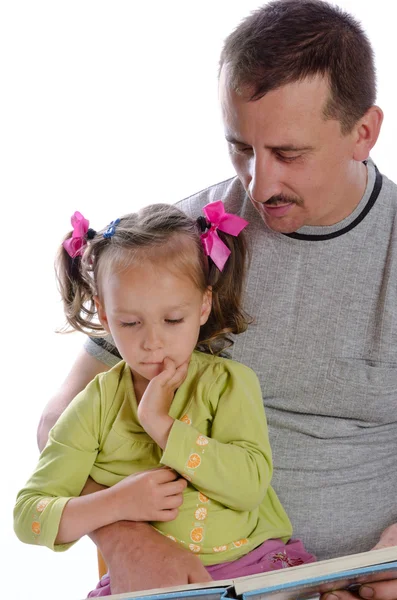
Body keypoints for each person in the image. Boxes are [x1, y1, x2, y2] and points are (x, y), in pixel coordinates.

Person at [36, 1, 397, 599]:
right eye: (241, 148)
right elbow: (60, 420)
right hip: (206, 582)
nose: (257, 185)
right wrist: (126, 537)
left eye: (288, 154)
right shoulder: (181, 243)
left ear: (363, 132)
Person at [14, 204, 316, 597]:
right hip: (148, 585)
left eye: (172, 319)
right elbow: (29, 516)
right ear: (105, 317)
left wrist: (162, 425)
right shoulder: (95, 405)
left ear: (203, 306)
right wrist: (117, 503)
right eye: (129, 322)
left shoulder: (229, 383)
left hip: (253, 568)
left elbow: (247, 487)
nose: (152, 342)